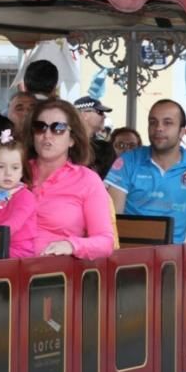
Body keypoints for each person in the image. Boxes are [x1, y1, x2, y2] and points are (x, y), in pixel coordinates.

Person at [105, 100, 186, 244]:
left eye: (167, 123)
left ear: (182, 131)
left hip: (175, 259)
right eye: (153, 122)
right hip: (129, 254)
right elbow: (112, 218)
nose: (158, 128)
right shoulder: (128, 161)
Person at [26, 99, 115, 258]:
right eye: (40, 127)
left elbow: (105, 242)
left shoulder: (87, 180)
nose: (47, 135)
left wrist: (72, 245)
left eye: (58, 128)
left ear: (72, 139)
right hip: (6, 268)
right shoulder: (15, 171)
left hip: (56, 275)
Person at [0, 129, 38, 258]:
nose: (8, 173)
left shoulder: (25, 196)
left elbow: (13, 224)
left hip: (18, 254)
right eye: (0, 166)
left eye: (15, 167)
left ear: (22, 171)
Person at [73, 96, 116, 178]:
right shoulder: (66, 144)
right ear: (84, 115)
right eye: (100, 112)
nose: (104, 116)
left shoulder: (104, 148)